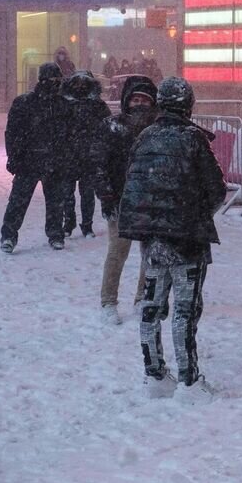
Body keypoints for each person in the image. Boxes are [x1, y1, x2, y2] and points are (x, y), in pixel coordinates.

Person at [117, 77, 226, 399]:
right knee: (185, 309)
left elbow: (133, 183)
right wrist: (194, 211)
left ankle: (154, 375)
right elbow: (216, 189)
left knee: (152, 306)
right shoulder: (193, 140)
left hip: (151, 237)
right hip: (186, 237)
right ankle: (189, 379)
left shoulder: (144, 137)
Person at [91, 75, 158, 327]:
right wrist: (106, 195)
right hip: (119, 198)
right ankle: (108, 301)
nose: (139, 104)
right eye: (135, 99)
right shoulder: (111, 127)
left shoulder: (157, 130)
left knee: (149, 254)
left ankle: (143, 297)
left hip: (150, 200)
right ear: (127, 101)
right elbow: (99, 164)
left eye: (144, 100)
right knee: (118, 252)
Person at [0, 62, 72, 252]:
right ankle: (9, 235)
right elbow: (13, 132)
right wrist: (14, 156)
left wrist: (66, 157)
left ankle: (55, 234)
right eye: (52, 80)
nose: (55, 84)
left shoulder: (62, 105)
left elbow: (69, 135)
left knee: (55, 202)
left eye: (57, 81)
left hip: (53, 160)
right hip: (29, 160)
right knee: (18, 201)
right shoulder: (25, 103)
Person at [61, 71, 111, 238]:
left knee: (87, 194)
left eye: (84, 83)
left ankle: (86, 225)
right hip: (69, 155)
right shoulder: (65, 104)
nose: (80, 86)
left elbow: (106, 129)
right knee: (67, 193)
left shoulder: (98, 106)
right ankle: (69, 223)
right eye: (77, 83)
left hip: (89, 156)